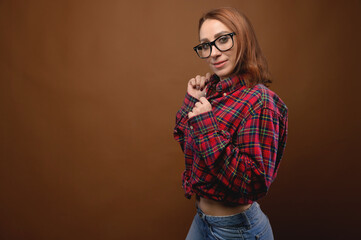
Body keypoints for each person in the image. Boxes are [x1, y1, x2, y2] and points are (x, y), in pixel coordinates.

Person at [173, 7, 288, 240]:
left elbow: (253, 184)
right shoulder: (214, 91)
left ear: (242, 39)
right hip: (202, 221)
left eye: (223, 39)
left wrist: (206, 126)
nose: (213, 53)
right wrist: (192, 102)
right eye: (206, 45)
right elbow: (191, 150)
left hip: (236, 231)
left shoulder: (261, 101)